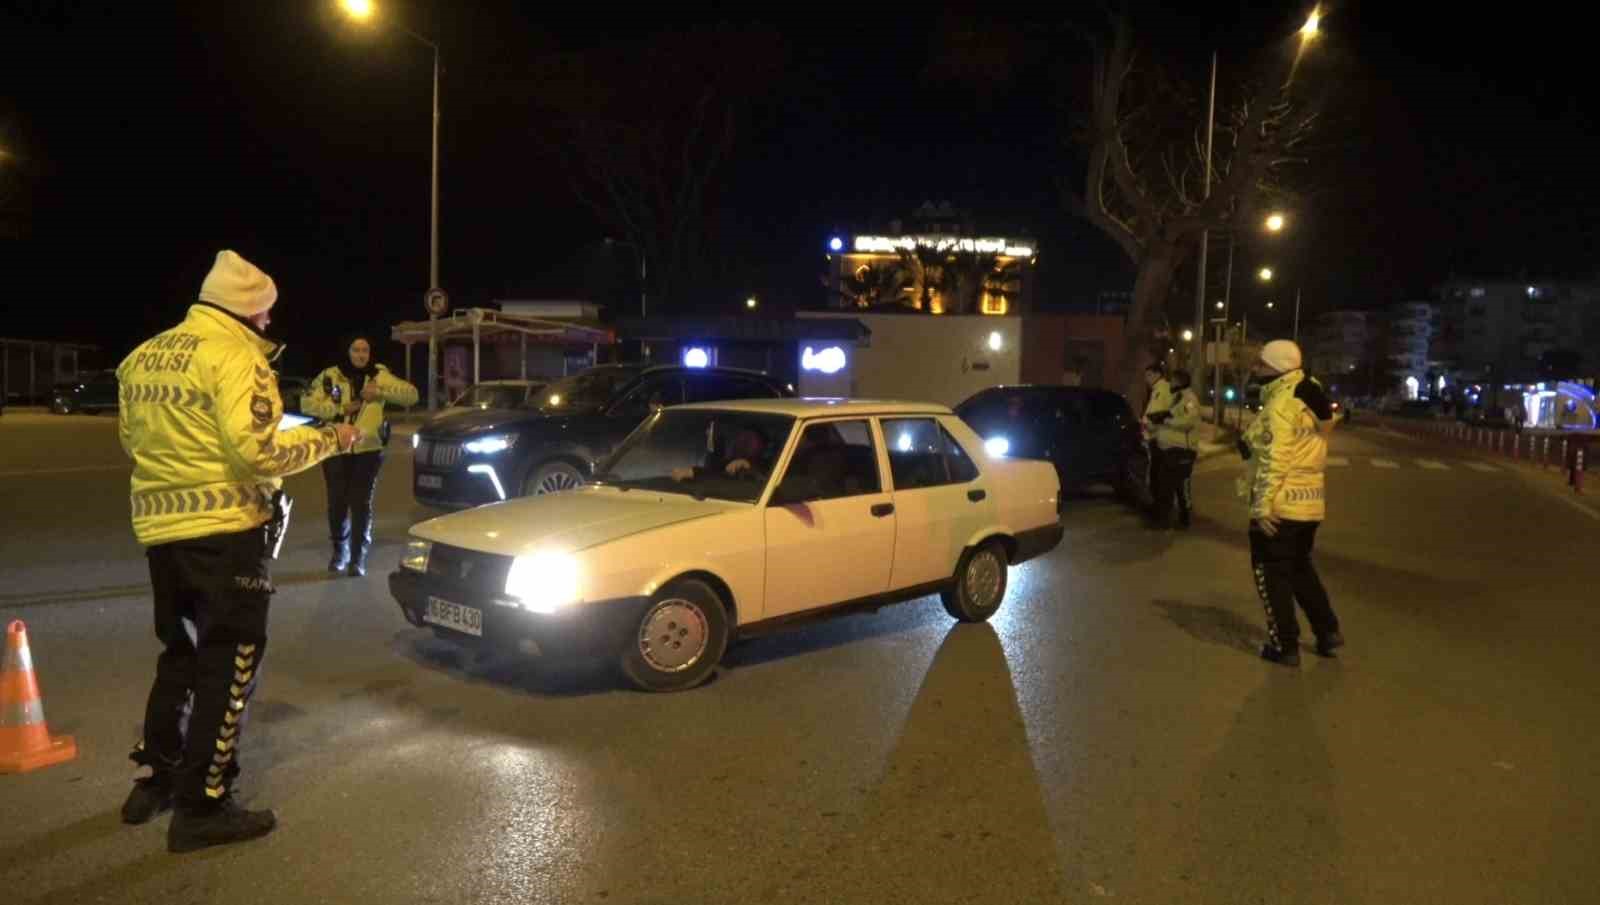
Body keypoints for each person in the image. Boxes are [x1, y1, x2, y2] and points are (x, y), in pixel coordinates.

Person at [116, 251, 362, 851]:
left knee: (180, 655)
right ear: (249, 310)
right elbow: (259, 453)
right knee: (229, 664)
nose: (269, 322)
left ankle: (159, 779)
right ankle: (203, 806)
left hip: (161, 533)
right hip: (225, 534)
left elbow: (133, 441)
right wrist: (332, 439)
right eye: (266, 312)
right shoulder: (236, 355)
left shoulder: (141, 357)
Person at [1239, 339, 1343, 667]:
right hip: (1309, 505)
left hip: (1280, 507)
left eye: (1261, 363)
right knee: (1300, 569)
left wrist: (1261, 508)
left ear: (1277, 368)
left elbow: (1276, 460)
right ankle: (1327, 630)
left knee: (1271, 577)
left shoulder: (1282, 404)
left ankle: (1284, 645)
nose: (1255, 368)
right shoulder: (1308, 393)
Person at [301, 334, 419, 576]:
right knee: (337, 502)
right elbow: (306, 404)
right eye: (356, 350)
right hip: (335, 448)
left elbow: (412, 395)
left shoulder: (379, 375)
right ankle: (340, 551)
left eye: (365, 350)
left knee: (361, 503)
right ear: (347, 351)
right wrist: (340, 408)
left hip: (368, 450)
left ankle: (358, 557)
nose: (361, 355)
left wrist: (380, 391)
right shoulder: (329, 376)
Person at [1147, 368, 1201, 529]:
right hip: (1170, 448)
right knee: (1169, 485)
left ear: (1181, 381)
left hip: (1183, 449)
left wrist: (1165, 421)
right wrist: (1159, 419)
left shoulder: (1189, 399)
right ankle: (1169, 518)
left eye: (1173, 380)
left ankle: (1179, 518)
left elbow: (1188, 422)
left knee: (1177, 485)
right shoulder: (1177, 398)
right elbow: (1173, 416)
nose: (1170, 383)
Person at [1140, 363, 1174, 525]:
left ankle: (1161, 515)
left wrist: (1147, 424)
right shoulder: (1157, 390)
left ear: (1157, 374)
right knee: (1156, 478)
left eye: (1148, 375)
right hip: (1156, 438)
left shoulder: (1162, 390)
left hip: (1160, 439)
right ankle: (1159, 512)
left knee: (1159, 479)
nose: (1146, 379)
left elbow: (1158, 415)